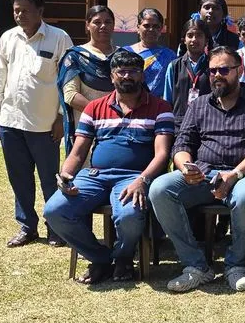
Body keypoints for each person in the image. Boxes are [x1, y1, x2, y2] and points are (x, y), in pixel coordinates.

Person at [149, 47, 245, 293]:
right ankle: (196, 266)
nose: (217, 75)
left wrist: (234, 174)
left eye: (224, 69)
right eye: (213, 70)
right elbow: (182, 143)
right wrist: (186, 167)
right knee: (160, 189)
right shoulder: (198, 105)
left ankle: (235, 265)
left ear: (239, 70)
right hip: (204, 175)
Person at [44, 50, 175, 284]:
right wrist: (66, 174)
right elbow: (78, 151)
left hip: (134, 177)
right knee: (55, 210)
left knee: (128, 216)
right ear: (112, 77)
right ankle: (102, 258)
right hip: (95, 176)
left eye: (133, 71)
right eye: (121, 71)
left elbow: (162, 154)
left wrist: (142, 180)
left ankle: (124, 257)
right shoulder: (94, 107)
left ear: (142, 75)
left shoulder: (160, 107)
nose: (127, 76)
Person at [0, 0, 73, 248]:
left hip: (45, 124)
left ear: (40, 11)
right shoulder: (8, 38)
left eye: (25, 10)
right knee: (19, 177)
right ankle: (27, 226)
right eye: (16, 10)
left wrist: (61, 117)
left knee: (50, 178)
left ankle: (56, 227)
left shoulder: (59, 38)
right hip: (10, 122)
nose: (19, 15)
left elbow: (69, 80)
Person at [57, 5, 120, 153]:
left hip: (120, 126)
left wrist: (115, 118)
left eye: (108, 22)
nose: (103, 26)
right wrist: (103, 115)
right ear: (87, 25)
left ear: (113, 26)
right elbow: (70, 95)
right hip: (87, 126)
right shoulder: (75, 56)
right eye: (97, 22)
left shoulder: (122, 56)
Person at [161, 19, 211, 129]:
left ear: (206, 40)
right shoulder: (174, 66)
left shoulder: (213, 65)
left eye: (199, 35)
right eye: (190, 35)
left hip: (208, 124)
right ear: (184, 40)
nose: (194, 39)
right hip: (179, 126)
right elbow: (167, 101)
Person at [124, 8, 177, 99]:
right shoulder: (126, 53)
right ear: (138, 28)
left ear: (161, 29)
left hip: (159, 107)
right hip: (129, 104)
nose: (151, 29)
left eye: (156, 26)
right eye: (146, 25)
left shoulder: (170, 56)